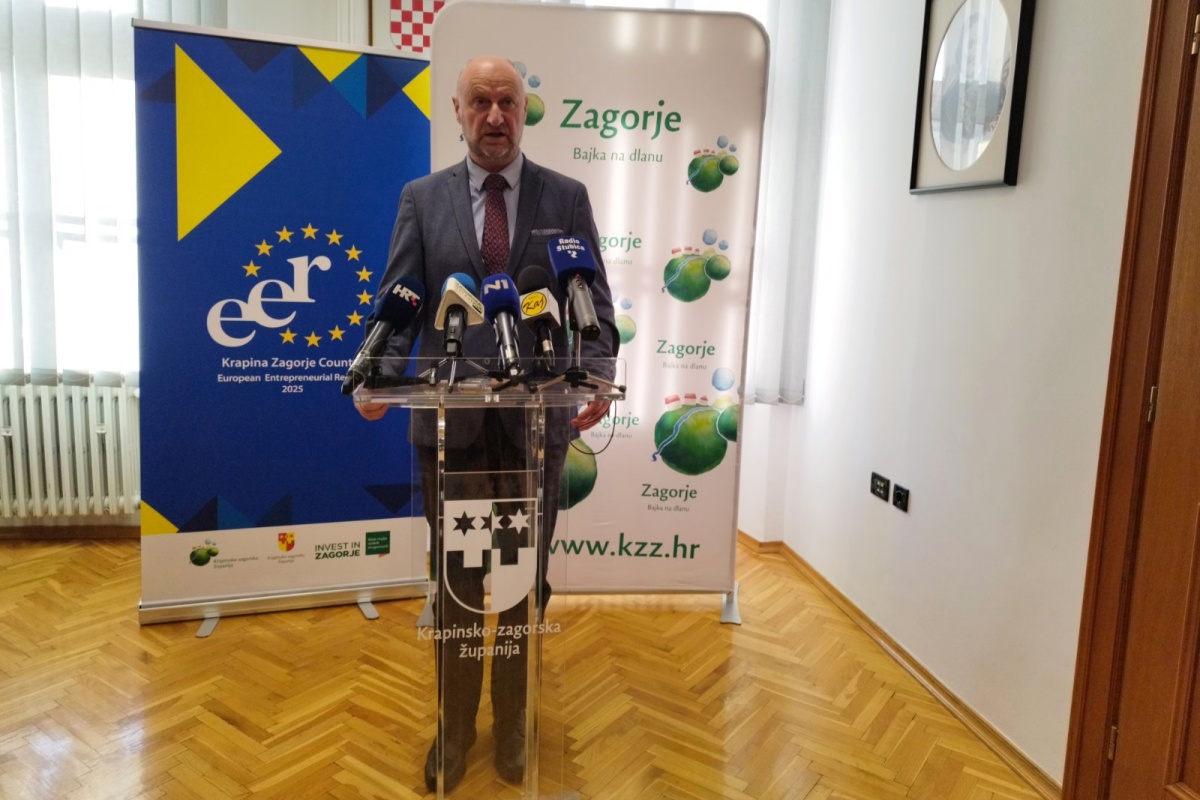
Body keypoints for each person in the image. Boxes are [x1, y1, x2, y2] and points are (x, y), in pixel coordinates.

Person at [355, 56, 618, 792]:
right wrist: (379, 374)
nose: (495, 115)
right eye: (481, 101)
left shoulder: (566, 198)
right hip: (453, 436)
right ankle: (455, 728)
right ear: (458, 111)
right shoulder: (421, 198)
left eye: (507, 101)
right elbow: (400, 299)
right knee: (458, 586)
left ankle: (512, 726)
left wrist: (596, 373)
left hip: (535, 434)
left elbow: (592, 304)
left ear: (523, 110)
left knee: (525, 584)